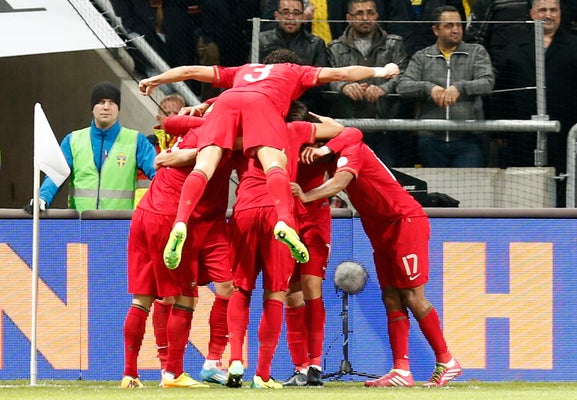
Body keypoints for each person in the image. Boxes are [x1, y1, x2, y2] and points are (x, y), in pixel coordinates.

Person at [138, 48, 400, 270]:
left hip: (229, 106)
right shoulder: (294, 74)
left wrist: (156, 79)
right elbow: (342, 74)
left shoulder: (243, 71)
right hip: (262, 111)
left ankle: (181, 221)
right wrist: (381, 71)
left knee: (205, 165)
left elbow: (189, 71)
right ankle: (285, 222)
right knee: (275, 163)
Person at [291, 130, 462, 388]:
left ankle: (446, 361)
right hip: (380, 232)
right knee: (391, 297)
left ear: (321, 142)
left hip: (404, 222)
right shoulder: (333, 157)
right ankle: (401, 370)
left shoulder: (351, 149)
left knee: (413, 296)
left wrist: (306, 195)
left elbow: (339, 180)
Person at [224, 102, 345, 389]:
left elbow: (348, 135)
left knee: (246, 287)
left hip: (267, 211)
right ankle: (283, 370)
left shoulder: (253, 133)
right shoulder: (297, 130)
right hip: (281, 214)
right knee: (282, 293)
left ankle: (242, 360)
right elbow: (341, 128)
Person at [121, 107, 234, 388]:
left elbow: (171, 122)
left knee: (142, 298)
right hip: (172, 218)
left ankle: (130, 374)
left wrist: (189, 147)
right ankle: (172, 373)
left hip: (145, 211)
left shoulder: (198, 129)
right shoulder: (221, 134)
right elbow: (171, 121)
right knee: (182, 298)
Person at [282, 118, 363, 387]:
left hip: (314, 221)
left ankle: (314, 364)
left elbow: (349, 130)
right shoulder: (276, 143)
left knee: (310, 289)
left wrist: (322, 150)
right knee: (290, 294)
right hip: (285, 219)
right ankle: (300, 368)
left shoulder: (319, 148)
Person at [25, 81, 157, 213]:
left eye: (112, 102)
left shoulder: (137, 141)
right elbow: (56, 174)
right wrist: (42, 198)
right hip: (81, 225)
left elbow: (159, 174)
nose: (106, 107)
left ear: (118, 108)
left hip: (119, 225)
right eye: (100, 102)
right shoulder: (73, 140)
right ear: (92, 107)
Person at [496, 0, 577, 206]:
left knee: (566, 188)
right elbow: (501, 91)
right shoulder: (514, 48)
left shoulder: (574, 46)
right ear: (532, 14)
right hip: (522, 136)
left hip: (566, 135)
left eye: (553, 10)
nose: (548, 15)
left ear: (560, 13)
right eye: (542, 10)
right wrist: (499, 132)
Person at [396, 5, 495, 167]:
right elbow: (403, 86)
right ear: (436, 30)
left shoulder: (477, 52)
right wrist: (429, 88)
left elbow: (487, 82)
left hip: (468, 139)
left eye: (458, 25)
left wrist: (460, 88)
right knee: (436, 192)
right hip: (430, 140)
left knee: (468, 189)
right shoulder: (422, 56)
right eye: (449, 26)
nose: (455, 30)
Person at [326, 0, 411, 166]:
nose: (365, 17)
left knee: (387, 179)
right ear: (349, 18)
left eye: (370, 13)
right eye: (359, 13)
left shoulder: (394, 43)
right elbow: (326, 79)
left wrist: (383, 89)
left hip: (385, 127)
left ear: (377, 16)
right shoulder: (334, 48)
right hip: (347, 127)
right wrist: (344, 86)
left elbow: (404, 74)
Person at [256, 0, 330, 114]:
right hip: (269, 103)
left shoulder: (316, 44)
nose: (291, 17)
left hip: (306, 106)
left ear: (303, 16)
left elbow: (322, 82)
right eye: (286, 12)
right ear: (277, 16)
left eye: (296, 13)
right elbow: (255, 77)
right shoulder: (261, 41)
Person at [135, 93, 187, 206]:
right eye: (167, 113)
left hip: (177, 211)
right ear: (158, 118)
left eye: (177, 113)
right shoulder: (145, 145)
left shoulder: (190, 145)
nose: (172, 117)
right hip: (145, 210)